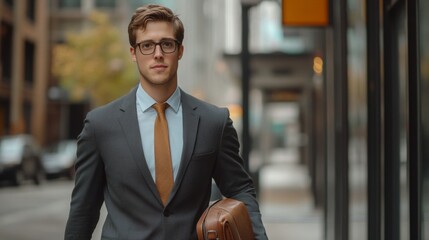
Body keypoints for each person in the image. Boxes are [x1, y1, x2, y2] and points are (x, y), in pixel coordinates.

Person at [64, 4, 267, 240]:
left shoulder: (214, 122)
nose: (157, 54)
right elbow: (83, 211)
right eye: (147, 45)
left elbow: (241, 190)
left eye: (167, 44)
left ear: (180, 51)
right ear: (133, 53)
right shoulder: (100, 125)